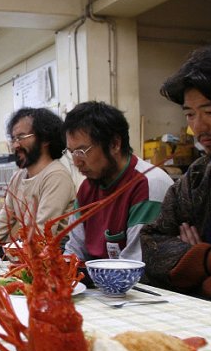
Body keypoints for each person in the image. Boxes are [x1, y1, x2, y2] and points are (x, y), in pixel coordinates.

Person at [141, 43, 211, 309]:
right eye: (190, 114)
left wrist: (195, 271)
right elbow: (152, 250)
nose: (198, 127)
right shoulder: (199, 174)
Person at [62, 101, 173, 261]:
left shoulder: (147, 184)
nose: (76, 161)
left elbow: (134, 266)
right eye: (72, 152)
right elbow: (74, 250)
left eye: (81, 151)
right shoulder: (87, 186)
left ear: (114, 144)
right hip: (96, 280)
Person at [0, 107, 75, 242]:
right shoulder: (18, 176)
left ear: (45, 138)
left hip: (50, 257)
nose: (15, 145)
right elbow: (2, 222)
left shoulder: (56, 176)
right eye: (13, 139)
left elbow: (40, 234)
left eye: (21, 137)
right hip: (24, 253)